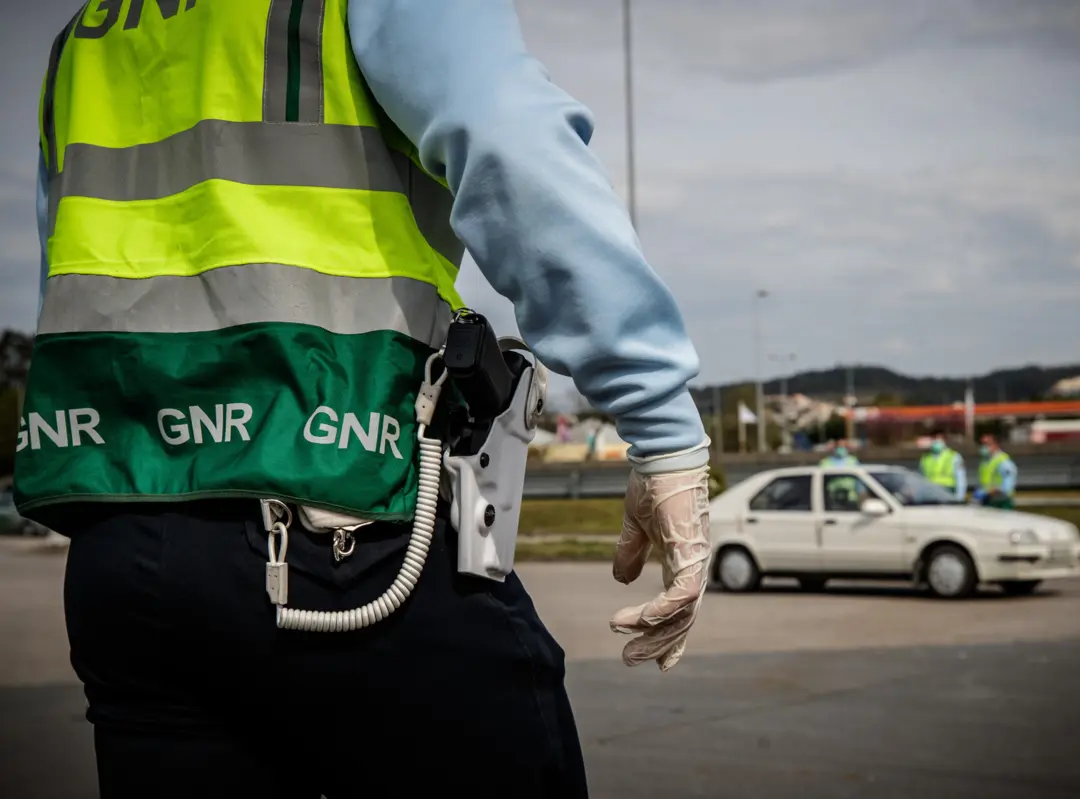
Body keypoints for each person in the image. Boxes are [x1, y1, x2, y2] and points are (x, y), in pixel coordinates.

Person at [17, 1, 712, 796]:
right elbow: (506, 138)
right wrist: (660, 421)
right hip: (342, 522)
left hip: (125, 553)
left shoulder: (91, 32)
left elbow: (67, 277)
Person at [919, 428, 966, 502]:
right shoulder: (925, 459)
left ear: (944, 440)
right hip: (930, 495)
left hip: (948, 494)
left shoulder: (954, 457)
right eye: (934, 439)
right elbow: (921, 480)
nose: (936, 442)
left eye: (939, 439)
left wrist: (959, 498)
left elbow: (960, 480)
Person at [975, 434, 1018, 509]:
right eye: (982, 444)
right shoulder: (985, 462)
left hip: (1001, 500)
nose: (984, 447)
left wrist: (998, 491)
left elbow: (1009, 481)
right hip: (988, 498)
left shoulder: (1002, 461)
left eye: (987, 444)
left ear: (996, 445)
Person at [820, 438, 861, 508]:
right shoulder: (826, 462)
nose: (841, 449)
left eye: (843, 447)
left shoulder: (853, 461)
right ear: (834, 448)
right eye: (839, 447)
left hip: (851, 497)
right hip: (832, 496)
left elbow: (859, 479)